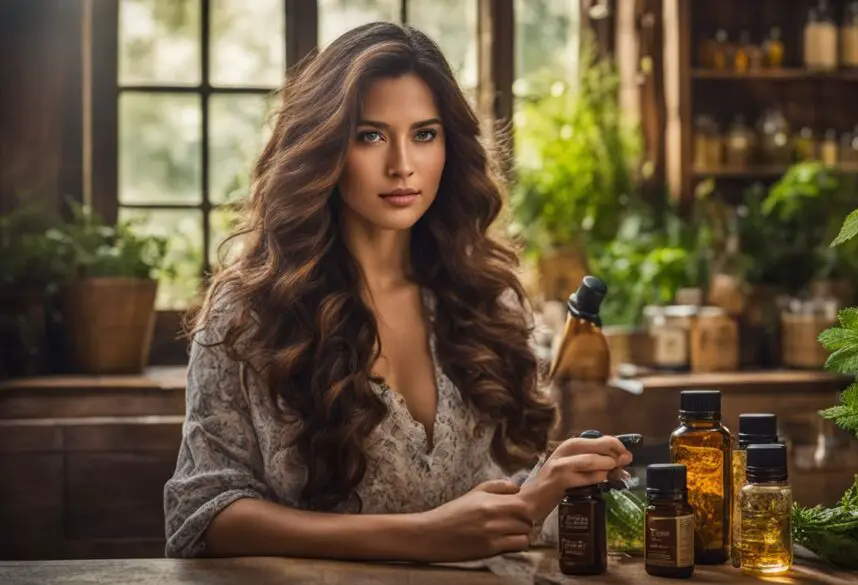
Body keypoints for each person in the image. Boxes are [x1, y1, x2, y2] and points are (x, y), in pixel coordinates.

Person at [163, 21, 631, 563]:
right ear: (326, 147)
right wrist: (421, 536)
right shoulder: (248, 313)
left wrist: (550, 486)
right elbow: (202, 513)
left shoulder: (489, 301)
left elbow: (494, 508)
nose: (402, 164)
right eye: (371, 135)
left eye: (424, 134)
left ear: (449, 147)